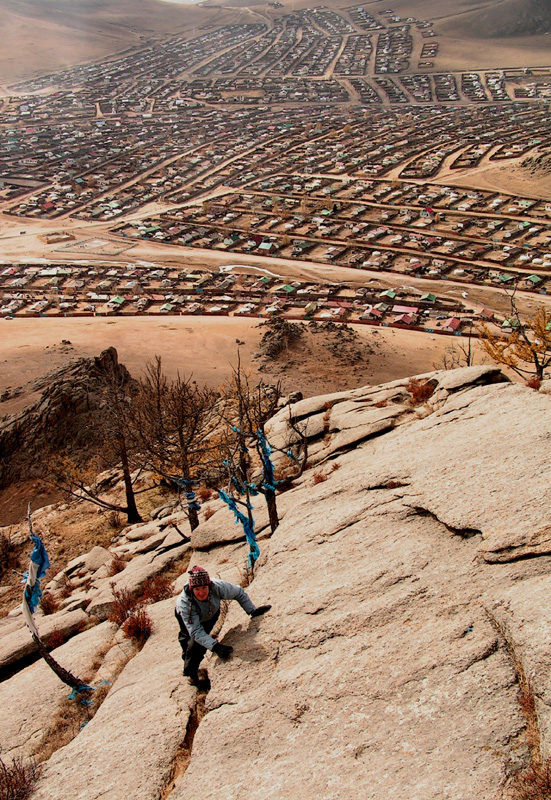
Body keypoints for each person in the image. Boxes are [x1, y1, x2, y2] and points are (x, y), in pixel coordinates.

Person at [175, 566, 271, 686]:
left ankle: (191, 666)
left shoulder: (218, 587)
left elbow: (239, 592)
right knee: (189, 642)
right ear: (191, 589)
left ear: (209, 585)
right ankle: (192, 674)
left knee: (198, 645)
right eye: (197, 589)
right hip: (188, 617)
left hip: (211, 613)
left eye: (204, 587)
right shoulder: (185, 603)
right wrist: (216, 647)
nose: (201, 592)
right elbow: (195, 632)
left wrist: (252, 611)